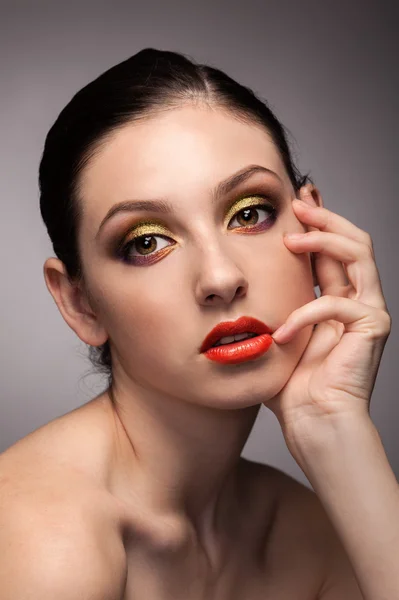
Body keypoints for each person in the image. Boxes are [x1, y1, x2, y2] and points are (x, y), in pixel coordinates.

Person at [0, 48, 395, 599]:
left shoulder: (315, 534)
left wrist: (334, 428)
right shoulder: (42, 539)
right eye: (146, 242)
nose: (220, 276)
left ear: (316, 229)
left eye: (250, 213)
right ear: (79, 303)